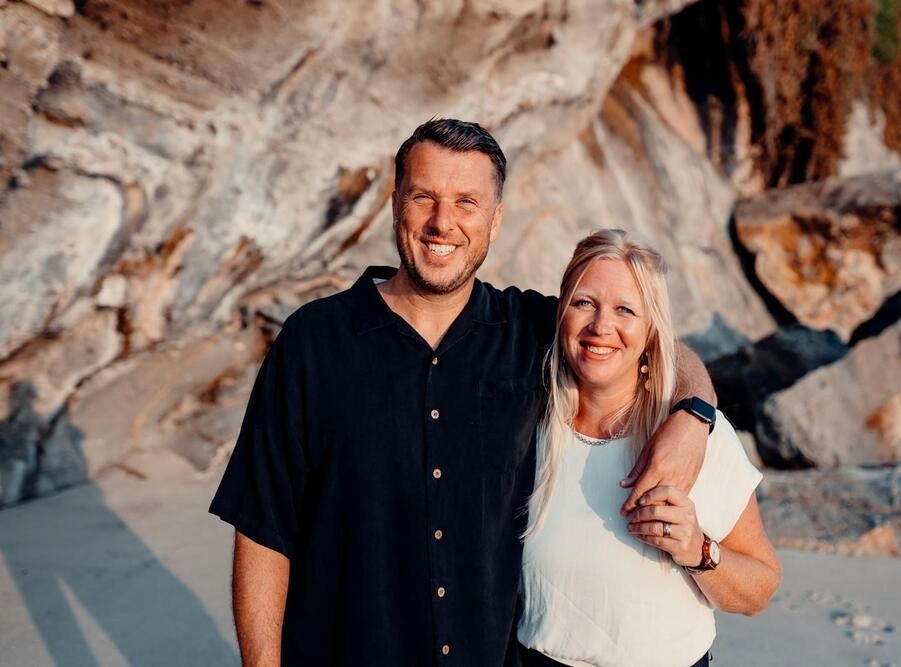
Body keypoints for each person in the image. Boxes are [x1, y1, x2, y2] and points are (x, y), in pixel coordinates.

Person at [209, 120, 720, 666]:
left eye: (467, 202)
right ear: (394, 205)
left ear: (495, 221)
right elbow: (264, 529)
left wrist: (692, 416)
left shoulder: (529, 331)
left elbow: (650, 344)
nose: (442, 223)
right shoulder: (314, 342)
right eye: (423, 197)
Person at [517, 229, 781, 667]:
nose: (601, 327)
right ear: (561, 312)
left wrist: (697, 548)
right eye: (584, 303)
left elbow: (760, 590)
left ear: (650, 330)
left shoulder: (692, 438)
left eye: (625, 310)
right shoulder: (527, 421)